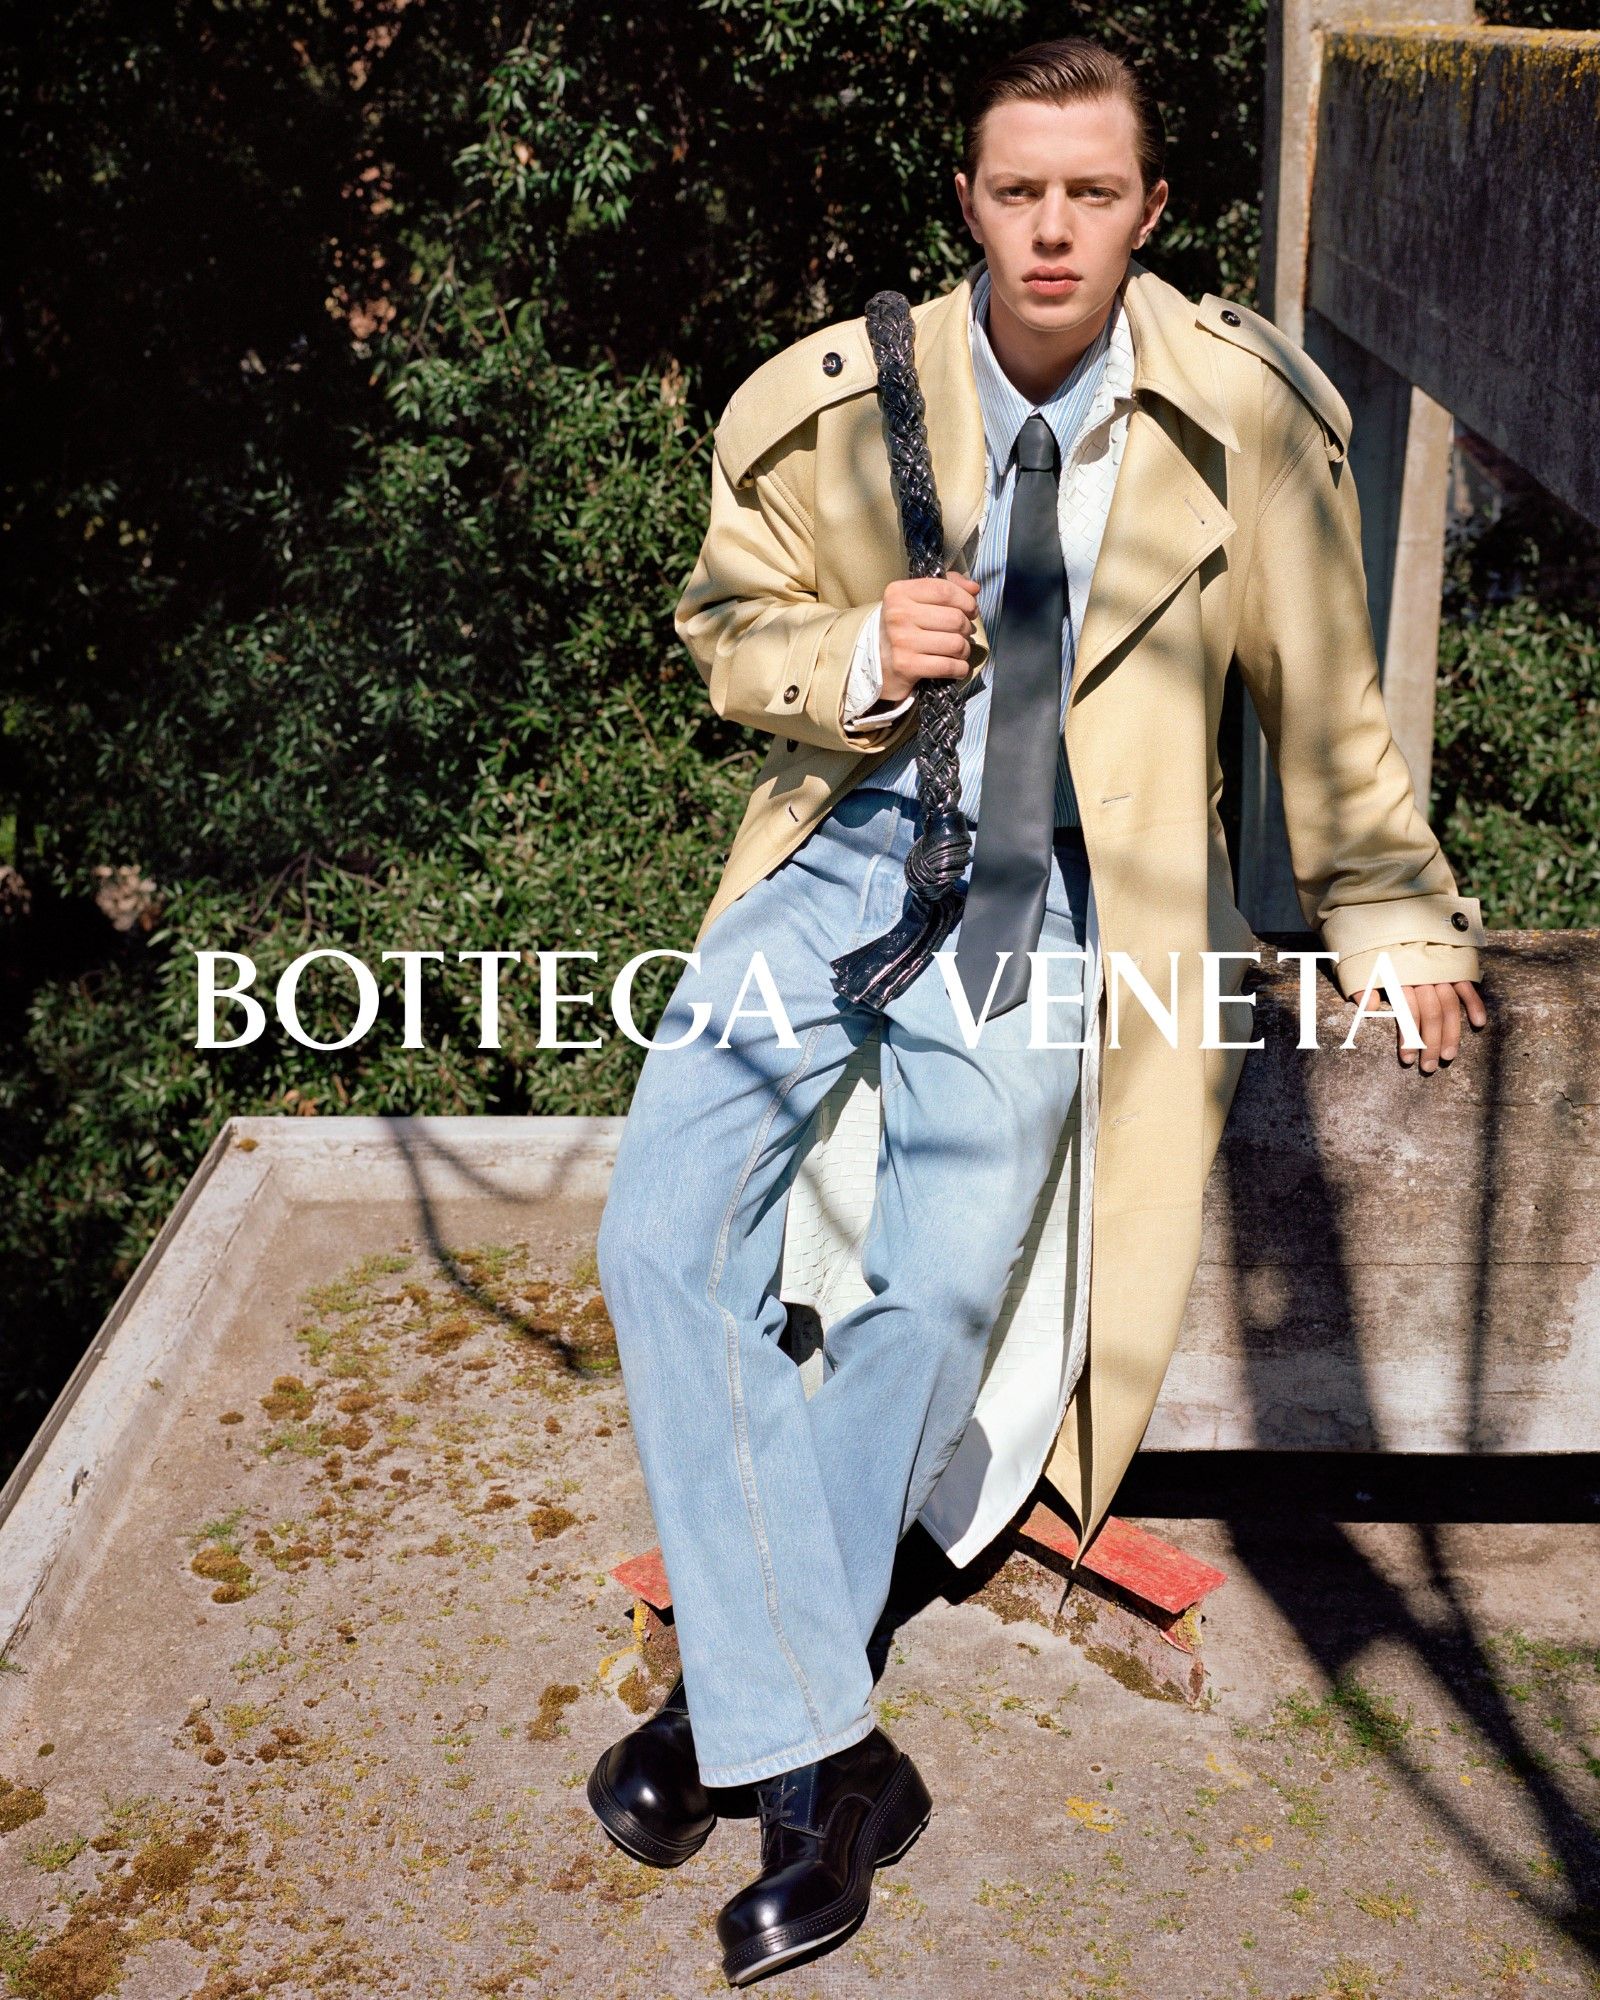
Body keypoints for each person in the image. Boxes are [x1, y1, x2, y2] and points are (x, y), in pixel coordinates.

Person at [588, 35, 1487, 1986]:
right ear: (969, 202)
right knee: (652, 1234)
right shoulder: (835, 402)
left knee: (931, 1287)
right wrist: (848, 647)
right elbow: (721, 627)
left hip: (1058, 899)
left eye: (1091, 192)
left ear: (1148, 208)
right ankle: (821, 1741)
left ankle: (759, 1727)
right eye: (1018, 191)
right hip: (841, 853)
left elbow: (1324, 701)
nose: (1053, 229)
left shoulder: (1242, 417)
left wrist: (1391, 908)